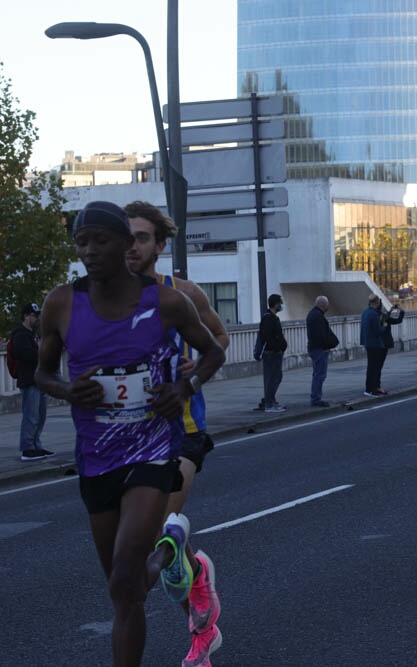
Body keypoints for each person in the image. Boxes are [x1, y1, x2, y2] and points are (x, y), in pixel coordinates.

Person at [34, 200, 225, 667]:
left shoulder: (167, 300)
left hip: (154, 451)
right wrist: (67, 390)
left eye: (101, 240)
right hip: (96, 457)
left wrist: (184, 386)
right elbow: (40, 375)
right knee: (127, 589)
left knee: (124, 574)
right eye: (82, 242)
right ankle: (171, 547)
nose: (90, 251)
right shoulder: (62, 302)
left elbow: (214, 350)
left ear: (125, 244)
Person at [124, 201, 229, 666]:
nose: (131, 247)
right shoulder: (99, 301)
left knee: (162, 527)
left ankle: (199, 626)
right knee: (157, 549)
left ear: (159, 245)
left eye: (141, 237)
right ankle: (200, 607)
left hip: (183, 430)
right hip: (128, 437)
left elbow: (221, 340)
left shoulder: (182, 294)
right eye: (124, 237)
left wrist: (194, 372)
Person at [11, 302, 51, 461]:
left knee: (40, 416)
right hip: (29, 381)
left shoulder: (33, 334)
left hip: (39, 381)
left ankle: (36, 446)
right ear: (26, 316)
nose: (37, 319)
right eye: (34, 315)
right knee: (31, 416)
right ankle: (27, 449)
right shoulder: (20, 334)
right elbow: (24, 354)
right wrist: (41, 351)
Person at [255, 294, 287, 412]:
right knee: (271, 378)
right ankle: (269, 404)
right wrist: (277, 347)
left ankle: (271, 400)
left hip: (276, 352)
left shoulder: (273, 317)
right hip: (271, 353)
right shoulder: (268, 318)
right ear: (276, 304)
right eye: (280, 303)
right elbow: (268, 337)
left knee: (276, 377)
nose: (281, 305)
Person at [306, 295, 340, 407]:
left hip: (316, 348)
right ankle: (316, 399)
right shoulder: (317, 317)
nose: (328, 306)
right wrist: (326, 345)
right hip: (319, 349)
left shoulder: (313, 315)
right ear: (322, 305)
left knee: (318, 374)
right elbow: (321, 335)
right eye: (327, 305)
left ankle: (316, 397)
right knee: (319, 375)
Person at [360, 294, 390, 397]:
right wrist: (384, 326)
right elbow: (378, 331)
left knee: (370, 367)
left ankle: (368, 389)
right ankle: (373, 389)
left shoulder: (365, 312)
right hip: (375, 344)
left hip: (367, 342)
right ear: (377, 303)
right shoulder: (374, 314)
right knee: (375, 368)